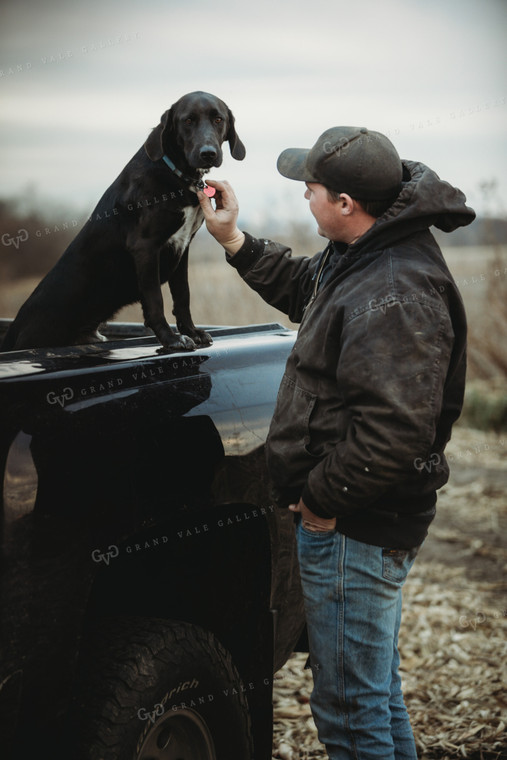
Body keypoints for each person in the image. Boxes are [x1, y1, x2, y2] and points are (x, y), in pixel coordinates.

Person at [197, 126, 475, 760]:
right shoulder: (364, 250)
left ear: (347, 203)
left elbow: (399, 430)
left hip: (355, 526)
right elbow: (306, 289)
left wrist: (321, 501)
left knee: (350, 714)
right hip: (355, 523)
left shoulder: (399, 289)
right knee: (371, 698)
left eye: (311, 189)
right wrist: (234, 240)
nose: (304, 197)